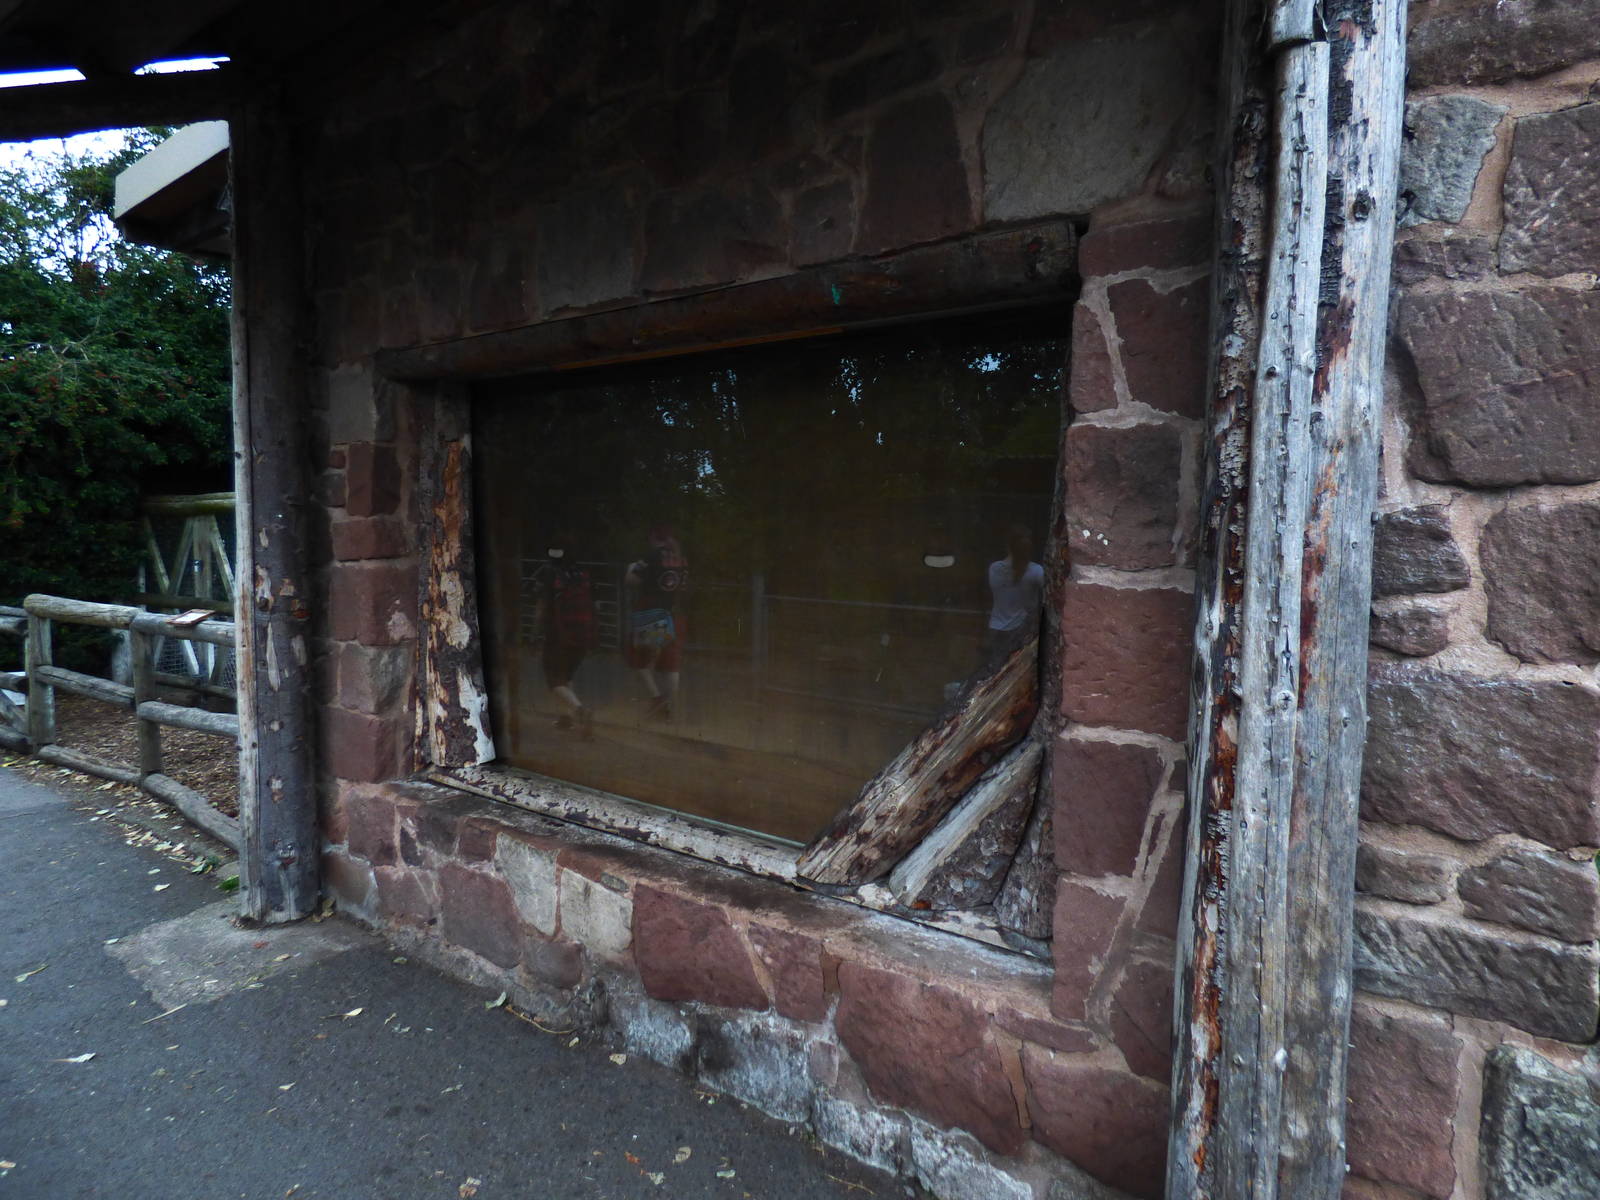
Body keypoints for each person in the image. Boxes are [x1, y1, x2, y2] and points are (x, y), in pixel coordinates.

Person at [533, 532, 597, 739]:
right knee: (566, 676)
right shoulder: (582, 573)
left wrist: (535, 633)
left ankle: (580, 711)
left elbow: (542, 605)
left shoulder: (549, 572)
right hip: (583, 633)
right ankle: (566, 716)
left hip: (558, 633)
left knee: (554, 680)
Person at [625, 524, 688, 721]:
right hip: (674, 612)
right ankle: (668, 706)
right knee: (670, 663)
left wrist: (630, 568)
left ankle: (657, 699)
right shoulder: (680, 558)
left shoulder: (650, 556)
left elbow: (631, 580)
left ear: (653, 536)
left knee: (638, 658)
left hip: (652, 613)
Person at [985, 524, 1044, 662]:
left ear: (1007, 545)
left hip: (996, 629)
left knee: (996, 669)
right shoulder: (1036, 571)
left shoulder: (994, 569)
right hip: (1022, 632)